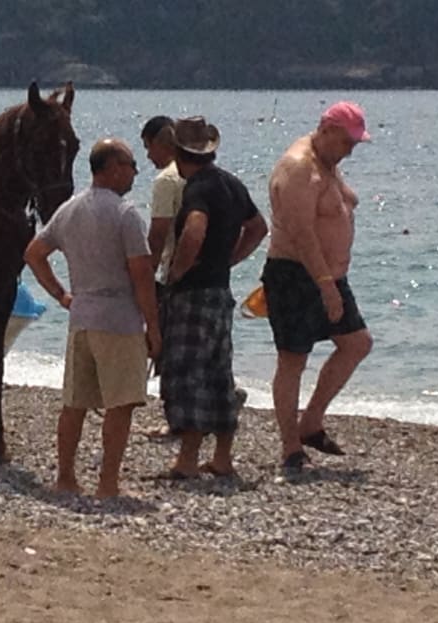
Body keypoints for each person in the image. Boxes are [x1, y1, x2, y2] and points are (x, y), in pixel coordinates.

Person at [24, 138, 161, 498]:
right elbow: (141, 275)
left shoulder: (69, 210)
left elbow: (34, 254)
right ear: (113, 168)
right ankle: (108, 483)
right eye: (131, 164)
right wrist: (154, 327)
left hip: (82, 314)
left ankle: (66, 476)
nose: (135, 171)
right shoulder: (125, 213)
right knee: (121, 402)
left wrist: (61, 295)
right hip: (118, 317)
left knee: (75, 403)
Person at [262, 101, 374, 473]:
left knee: (357, 344)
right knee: (293, 358)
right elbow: (302, 233)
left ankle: (311, 421)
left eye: (354, 144)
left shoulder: (328, 164)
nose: (350, 151)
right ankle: (290, 448)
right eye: (346, 142)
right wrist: (326, 285)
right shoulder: (298, 167)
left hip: (331, 275)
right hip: (296, 274)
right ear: (325, 130)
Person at [159, 117, 267, 479]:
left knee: (187, 373)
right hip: (221, 290)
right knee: (219, 372)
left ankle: (187, 459)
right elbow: (258, 227)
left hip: (194, 294)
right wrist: (230, 259)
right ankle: (222, 456)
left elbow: (194, 230)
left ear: (177, 152)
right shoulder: (231, 184)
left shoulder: (198, 188)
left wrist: (178, 271)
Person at [140, 116, 185, 282]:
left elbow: (158, 234)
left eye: (148, 147)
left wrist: (145, 279)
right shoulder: (199, 174)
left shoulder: (166, 180)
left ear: (160, 144)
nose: (148, 156)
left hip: (177, 277)